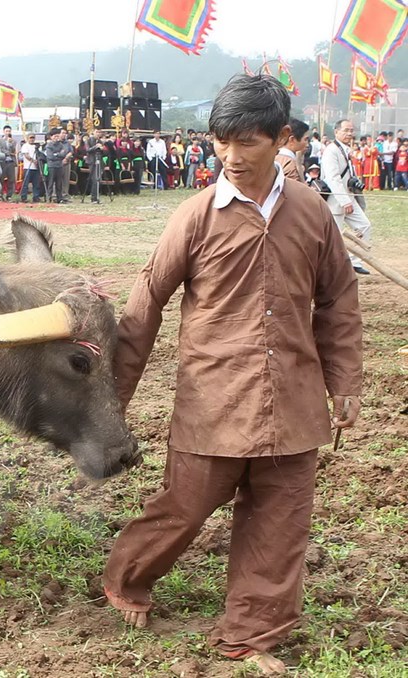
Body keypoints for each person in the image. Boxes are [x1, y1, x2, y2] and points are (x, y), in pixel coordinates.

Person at [104, 75, 363, 676]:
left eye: (247, 142)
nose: (232, 157)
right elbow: (145, 306)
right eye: (222, 142)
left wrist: (344, 379)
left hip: (294, 400)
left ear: (281, 140)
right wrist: (113, 396)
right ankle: (127, 577)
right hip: (213, 399)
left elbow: (339, 302)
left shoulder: (312, 215)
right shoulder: (194, 218)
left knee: (281, 520)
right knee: (184, 507)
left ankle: (252, 633)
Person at [322, 119, 372, 275]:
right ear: (336, 132)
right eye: (346, 130)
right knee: (334, 237)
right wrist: (344, 201)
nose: (349, 133)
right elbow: (333, 178)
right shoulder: (331, 150)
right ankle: (331, 269)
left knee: (364, 225)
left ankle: (354, 262)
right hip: (336, 200)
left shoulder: (345, 150)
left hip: (348, 196)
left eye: (351, 130)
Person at [44, 128, 68, 203]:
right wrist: (58, 154)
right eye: (55, 136)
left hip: (59, 166)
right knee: (50, 182)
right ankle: (49, 197)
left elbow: (64, 153)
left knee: (59, 183)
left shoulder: (60, 144)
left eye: (58, 136)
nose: (56, 138)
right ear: (51, 137)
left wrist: (57, 154)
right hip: (51, 166)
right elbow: (50, 156)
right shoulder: (49, 145)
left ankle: (59, 198)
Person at [18, 132, 42, 203]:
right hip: (28, 167)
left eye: (33, 138)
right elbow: (26, 155)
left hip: (36, 168)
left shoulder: (36, 147)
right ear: (28, 138)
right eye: (30, 138)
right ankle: (24, 197)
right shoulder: (25, 146)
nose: (32, 139)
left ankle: (36, 197)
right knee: (25, 183)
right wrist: (33, 160)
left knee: (36, 184)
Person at [0, 125, 18, 201]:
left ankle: (9, 196)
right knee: (1, 179)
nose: (8, 132)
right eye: (6, 131)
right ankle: (0, 195)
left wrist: (10, 144)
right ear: (3, 132)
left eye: (9, 131)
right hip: (3, 162)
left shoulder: (13, 141)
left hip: (11, 162)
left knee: (11, 179)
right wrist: (9, 153)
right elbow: (0, 149)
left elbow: (14, 151)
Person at [85, 129, 105, 203]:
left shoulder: (100, 141)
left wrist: (102, 149)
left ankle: (97, 195)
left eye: (99, 132)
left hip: (99, 161)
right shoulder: (88, 140)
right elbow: (88, 150)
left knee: (98, 179)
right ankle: (93, 197)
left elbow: (103, 152)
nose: (98, 134)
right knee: (94, 179)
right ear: (93, 132)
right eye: (97, 132)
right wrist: (96, 147)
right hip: (92, 161)